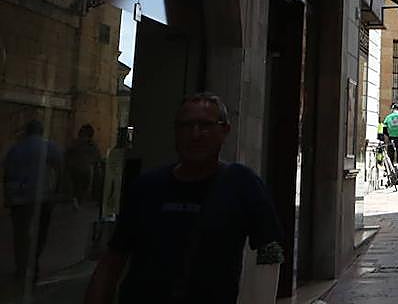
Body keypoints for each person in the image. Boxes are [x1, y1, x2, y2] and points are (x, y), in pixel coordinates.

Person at [84, 92, 283, 304]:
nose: (195, 134)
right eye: (186, 126)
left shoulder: (243, 184)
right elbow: (113, 260)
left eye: (205, 125)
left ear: (224, 130)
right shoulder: (147, 187)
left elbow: (270, 252)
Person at [4, 119, 62, 288]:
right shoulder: (49, 146)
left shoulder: (15, 149)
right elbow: (59, 167)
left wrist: (7, 197)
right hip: (42, 197)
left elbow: (7, 174)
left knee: (20, 234)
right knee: (40, 233)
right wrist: (57, 191)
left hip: (19, 198)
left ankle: (22, 266)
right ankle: (32, 262)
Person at [65, 123, 102, 205]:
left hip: (78, 169)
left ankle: (76, 200)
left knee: (78, 187)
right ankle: (77, 200)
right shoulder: (90, 145)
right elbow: (97, 158)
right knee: (80, 187)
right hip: (83, 170)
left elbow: (67, 154)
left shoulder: (76, 143)